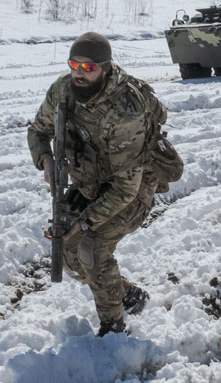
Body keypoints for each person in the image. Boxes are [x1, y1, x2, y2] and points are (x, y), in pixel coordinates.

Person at [28, 32, 165, 336]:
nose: (79, 72)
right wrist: (46, 160)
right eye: (74, 65)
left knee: (91, 248)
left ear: (105, 67)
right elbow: (37, 131)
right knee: (69, 254)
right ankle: (127, 294)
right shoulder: (63, 90)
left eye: (88, 68)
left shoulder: (125, 110)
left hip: (134, 188)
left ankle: (113, 327)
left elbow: (125, 189)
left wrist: (85, 222)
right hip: (91, 181)